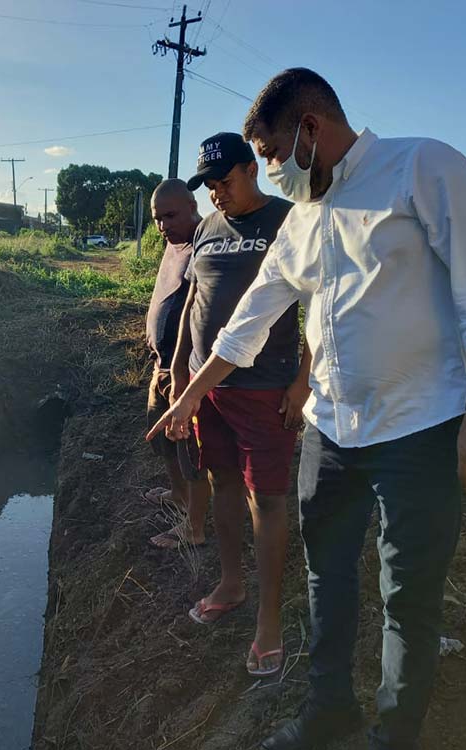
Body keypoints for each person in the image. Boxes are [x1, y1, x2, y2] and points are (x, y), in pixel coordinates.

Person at [148, 68, 466, 750]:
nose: (268, 170)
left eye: (268, 154)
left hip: (421, 425)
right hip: (331, 429)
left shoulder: (424, 168)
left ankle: (394, 733)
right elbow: (249, 321)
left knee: (408, 593)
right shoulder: (305, 221)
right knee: (327, 573)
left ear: (309, 130)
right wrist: (193, 391)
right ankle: (330, 711)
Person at [170, 132, 304, 678]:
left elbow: (319, 303)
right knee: (222, 482)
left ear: (252, 169)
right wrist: (179, 371)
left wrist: (304, 380)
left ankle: (269, 620)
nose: (216, 195)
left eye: (223, 183)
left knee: (267, 500)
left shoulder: (290, 221)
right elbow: (192, 303)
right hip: (208, 388)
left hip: (266, 387)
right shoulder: (205, 228)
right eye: (208, 186)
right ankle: (231, 582)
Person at [144, 179, 212, 549]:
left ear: (191, 204)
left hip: (187, 371)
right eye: (157, 218)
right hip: (163, 364)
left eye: (170, 215)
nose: (163, 226)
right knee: (162, 441)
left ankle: (195, 527)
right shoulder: (173, 245)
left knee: (190, 451)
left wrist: (185, 371)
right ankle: (177, 494)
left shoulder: (205, 243)